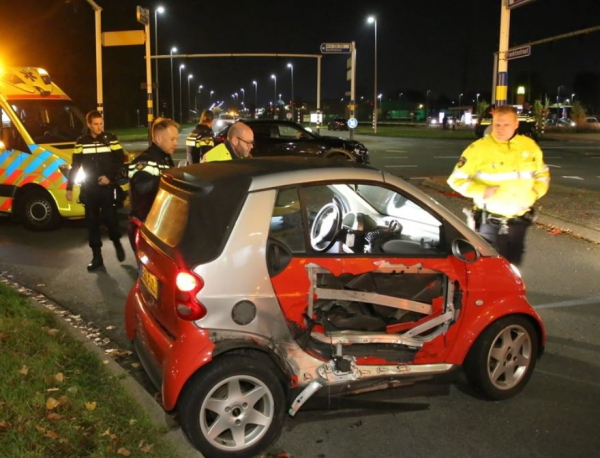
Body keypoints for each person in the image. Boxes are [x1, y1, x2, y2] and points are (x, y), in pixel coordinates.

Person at [447, 104, 550, 265]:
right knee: (490, 267)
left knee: (514, 266)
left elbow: (542, 173)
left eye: (506, 125)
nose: (501, 129)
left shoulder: (529, 146)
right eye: (497, 125)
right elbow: (455, 180)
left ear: (516, 124)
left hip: (519, 221)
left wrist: (535, 193)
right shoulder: (478, 149)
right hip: (490, 222)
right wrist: (481, 191)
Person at [66, 110, 126, 272]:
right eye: (96, 124)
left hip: (107, 188)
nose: (99, 128)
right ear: (88, 124)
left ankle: (117, 243)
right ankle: (97, 257)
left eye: (101, 124)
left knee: (111, 220)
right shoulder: (81, 142)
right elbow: (75, 166)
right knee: (92, 224)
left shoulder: (110, 139)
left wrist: (110, 177)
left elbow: (121, 160)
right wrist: (70, 187)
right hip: (89, 189)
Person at [127, 117, 179, 251]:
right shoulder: (145, 161)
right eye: (172, 139)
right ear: (159, 138)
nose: (176, 143)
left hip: (158, 227)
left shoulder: (165, 159)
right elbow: (141, 188)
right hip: (145, 228)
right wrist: (169, 180)